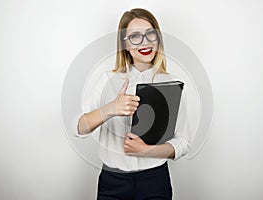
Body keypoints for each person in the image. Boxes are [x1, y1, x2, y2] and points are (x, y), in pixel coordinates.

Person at [77, 8, 191, 200]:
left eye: (150, 34)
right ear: (125, 44)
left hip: (155, 182)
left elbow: (182, 142)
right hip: (112, 182)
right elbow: (79, 128)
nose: (145, 42)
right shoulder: (107, 80)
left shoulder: (171, 83)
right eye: (135, 36)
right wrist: (111, 109)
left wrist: (147, 151)